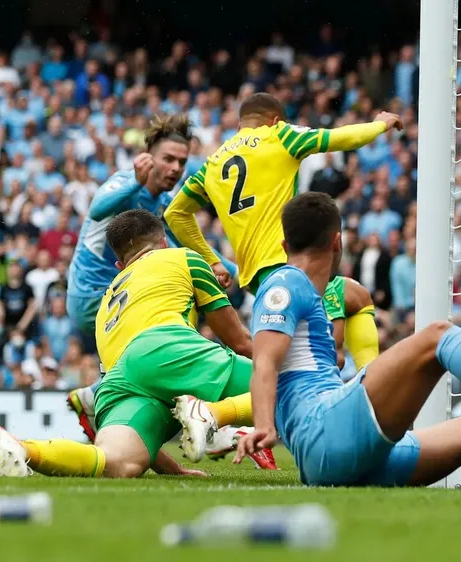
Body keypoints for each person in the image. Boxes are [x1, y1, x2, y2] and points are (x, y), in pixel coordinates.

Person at [226, 193, 461, 490]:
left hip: (354, 457)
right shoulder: (285, 282)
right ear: (338, 241)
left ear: (282, 242)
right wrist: (264, 426)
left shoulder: (312, 292)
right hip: (323, 431)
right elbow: (264, 363)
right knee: (437, 337)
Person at [165, 93, 398, 448]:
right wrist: (381, 123)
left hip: (261, 276)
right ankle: (375, 405)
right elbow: (341, 138)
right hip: (292, 266)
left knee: (351, 303)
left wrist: (213, 259)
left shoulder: (213, 162)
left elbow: (175, 215)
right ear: (274, 119)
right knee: (324, 353)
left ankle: (217, 416)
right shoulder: (280, 136)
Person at [0, 210, 272, 477]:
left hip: (121, 378)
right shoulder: (182, 258)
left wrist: (176, 471)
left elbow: (142, 378)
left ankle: (23, 448)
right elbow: (242, 342)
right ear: (164, 242)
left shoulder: (107, 300)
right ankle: (211, 414)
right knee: (287, 386)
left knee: (116, 462)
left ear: (120, 265)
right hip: (167, 346)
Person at [63, 114, 241, 439]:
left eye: (181, 161)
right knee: (178, 313)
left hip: (119, 294)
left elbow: (178, 248)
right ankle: (213, 422)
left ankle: (99, 396)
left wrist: (230, 269)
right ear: (148, 158)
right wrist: (135, 180)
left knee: (177, 302)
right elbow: (97, 209)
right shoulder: (122, 182)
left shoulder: (164, 203)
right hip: (93, 295)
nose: (175, 168)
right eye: (168, 159)